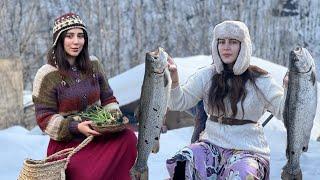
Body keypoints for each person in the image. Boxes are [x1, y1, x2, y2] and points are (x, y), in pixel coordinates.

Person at [166, 20, 287, 179]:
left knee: (242, 174)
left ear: (243, 46)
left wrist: (290, 91)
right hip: (212, 145)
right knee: (182, 163)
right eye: (221, 42)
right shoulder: (207, 75)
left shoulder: (260, 79)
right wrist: (173, 81)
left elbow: (285, 112)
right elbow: (178, 102)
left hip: (248, 150)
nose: (226, 47)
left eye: (233, 42)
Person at [32, 12, 137, 180]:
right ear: (59, 40)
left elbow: (108, 98)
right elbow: (44, 118)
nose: (76, 41)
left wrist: (113, 119)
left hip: (99, 134)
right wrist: (75, 127)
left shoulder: (93, 64)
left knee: (129, 139)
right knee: (88, 174)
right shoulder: (46, 74)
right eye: (69, 36)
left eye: (80, 36)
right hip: (68, 144)